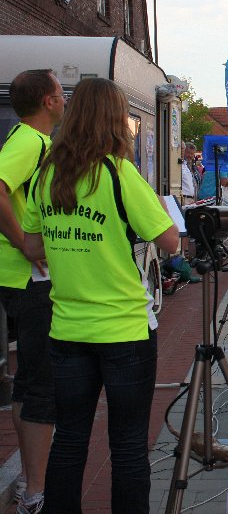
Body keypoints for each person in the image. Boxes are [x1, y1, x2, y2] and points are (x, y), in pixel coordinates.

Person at [22, 77, 179, 513]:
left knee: (70, 437)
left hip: (68, 327)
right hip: (123, 328)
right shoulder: (118, 172)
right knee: (127, 444)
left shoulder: (47, 174)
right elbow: (170, 242)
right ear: (114, 120)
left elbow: (32, 247)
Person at [0, 69, 63, 514]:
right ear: (47, 101)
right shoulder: (30, 142)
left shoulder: (31, 140)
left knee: (31, 380)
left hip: (22, 278)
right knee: (40, 382)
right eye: (60, 93)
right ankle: (35, 491)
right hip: (28, 278)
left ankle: (31, 475)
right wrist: (24, 241)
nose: (64, 100)